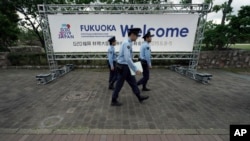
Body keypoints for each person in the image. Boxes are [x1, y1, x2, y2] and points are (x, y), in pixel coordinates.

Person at [111, 28, 149, 106]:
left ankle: (139, 96)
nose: (137, 38)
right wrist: (135, 69)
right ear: (132, 35)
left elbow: (128, 58)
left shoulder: (129, 42)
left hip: (126, 67)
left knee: (133, 82)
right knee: (119, 84)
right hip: (123, 67)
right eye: (136, 36)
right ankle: (113, 100)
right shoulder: (127, 44)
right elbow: (127, 58)